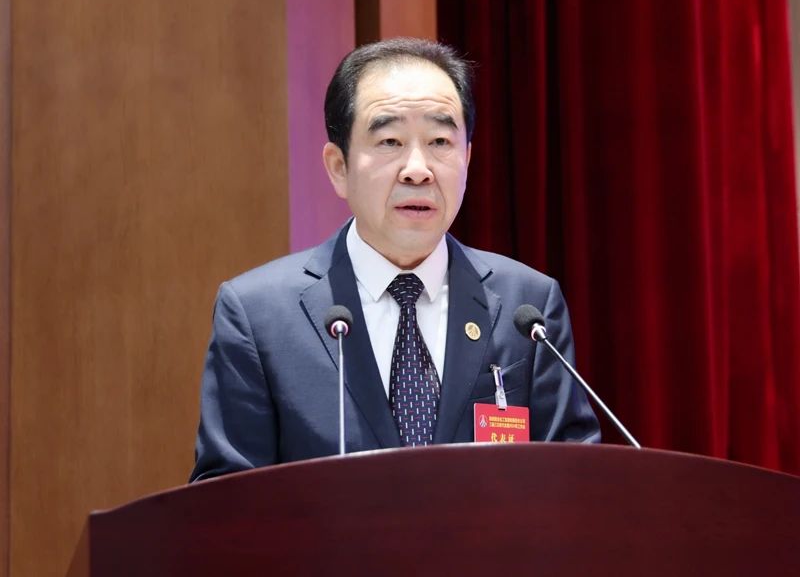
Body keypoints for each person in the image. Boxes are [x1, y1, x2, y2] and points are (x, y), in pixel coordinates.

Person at [190, 38, 599, 481]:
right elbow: (226, 502)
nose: (418, 169)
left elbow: (574, 483)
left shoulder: (528, 307)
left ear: (467, 158)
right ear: (339, 167)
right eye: (390, 141)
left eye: (440, 141)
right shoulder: (259, 316)